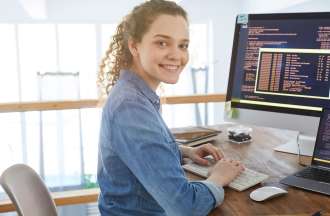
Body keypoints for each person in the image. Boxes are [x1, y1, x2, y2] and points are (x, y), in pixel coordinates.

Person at [97, 0, 244, 215]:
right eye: (162, 43)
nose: (177, 55)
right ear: (134, 46)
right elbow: (185, 207)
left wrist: (183, 151)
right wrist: (218, 178)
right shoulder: (131, 107)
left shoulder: (134, 93)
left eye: (183, 45)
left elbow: (139, 152)